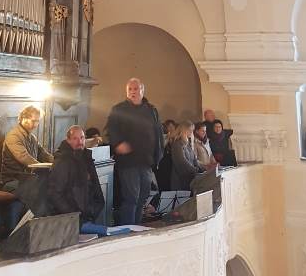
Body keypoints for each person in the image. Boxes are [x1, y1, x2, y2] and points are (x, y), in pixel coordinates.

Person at [106, 77, 164, 225]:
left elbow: (158, 132)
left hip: (146, 161)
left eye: (136, 89)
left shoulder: (151, 110)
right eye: (130, 89)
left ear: (142, 91)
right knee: (131, 197)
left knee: (143, 197)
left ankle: (136, 227)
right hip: (128, 161)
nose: (133, 92)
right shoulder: (119, 109)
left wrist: (158, 154)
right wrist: (118, 143)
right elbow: (111, 130)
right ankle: (128, 230)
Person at [47, 126, 105, 228]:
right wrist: (74, 216)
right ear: (68, 140)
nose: (80, 142)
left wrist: (93, 210)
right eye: (75, 138)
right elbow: (55, 193)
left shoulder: (86, 157)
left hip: (88, 217)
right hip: (70, 221)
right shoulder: (62, 161)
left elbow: (96, 188)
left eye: (82, 138)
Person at [0, 105, 54, 214]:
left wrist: (58, 163)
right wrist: (45, 169)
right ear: (23, 118)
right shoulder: (13, 136)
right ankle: (36, 220)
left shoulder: (31, 137)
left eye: (37, 121)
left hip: (28, 179)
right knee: (42, 188)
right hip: (13, 181)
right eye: (33, 121)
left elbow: (43, 154)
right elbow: (25, 158)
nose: (36, 124)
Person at [170, 121, 206, 190]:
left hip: (190, 178)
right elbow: (182, 162)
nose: (191, 132)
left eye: (192, 130)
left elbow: (194, 160)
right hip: (181, 180)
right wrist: (196, 170)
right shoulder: (177, 144)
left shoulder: (187, 143)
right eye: (190, 130)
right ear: (184, 130)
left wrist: (204, 170)